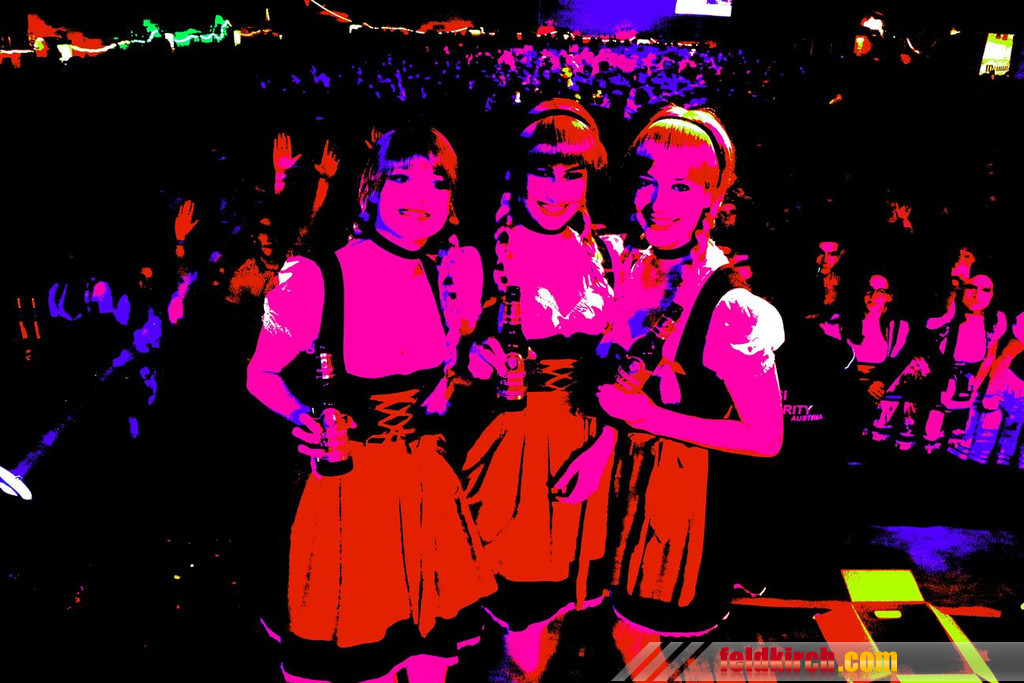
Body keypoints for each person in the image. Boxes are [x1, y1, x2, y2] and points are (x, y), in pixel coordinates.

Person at [247, 125, 495, 683]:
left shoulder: (445, 276)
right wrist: (303, 417)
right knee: (357, 662)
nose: (420, 197)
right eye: (402, 179)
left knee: (428, 661)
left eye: (437, 183)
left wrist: (471, 370)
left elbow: (443, 380)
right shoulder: (312, 276)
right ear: (371, 189)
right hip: (343, 496)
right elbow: (259, 374)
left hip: (424, 491)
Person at [590, 105, 784, 668]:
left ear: (711, 198)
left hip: (684, 505)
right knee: (624, 639)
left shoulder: (730, 305)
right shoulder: (631, 266)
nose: (657, 201)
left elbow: (766, 437)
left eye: (680, 186)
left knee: (654, 649)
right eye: (647, 181)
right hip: (622, 486)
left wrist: (646, 417)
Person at [462, 98, 616, 680]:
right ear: (517, 174)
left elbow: (622, 372)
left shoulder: (607, 256)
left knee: (566, 615)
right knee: (515, 624)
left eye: (571, 173)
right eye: (541, 170)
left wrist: (602, 448)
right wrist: (474, 361)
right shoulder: (477, 258)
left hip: (592, 446)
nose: (556, 189)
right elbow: (436, 368)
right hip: (509, 456)